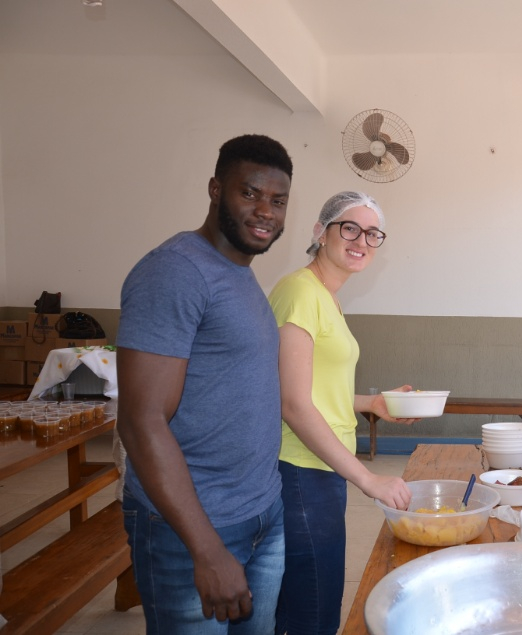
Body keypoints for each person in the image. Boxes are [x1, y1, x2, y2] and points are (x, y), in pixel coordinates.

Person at [116, 134, 292, 634]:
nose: (265, 211)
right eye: (250, 193)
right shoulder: (175, 272)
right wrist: (207, 549)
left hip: (260, 512)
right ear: (215, 189)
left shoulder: (239, 273)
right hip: (191, 529)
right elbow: (140, 421)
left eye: (278, 201)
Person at [268, 191, 416, 635]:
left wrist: (371, 403)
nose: (362, 240)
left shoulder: (326, 297)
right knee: (311, 610)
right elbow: (292, 403)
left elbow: (316, 389)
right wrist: (368, 478)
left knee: (310, 600)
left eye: (373, 233)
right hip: (299, 469)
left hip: (323, 466)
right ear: (320, 232)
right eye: (349, 227)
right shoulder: (299, 291)